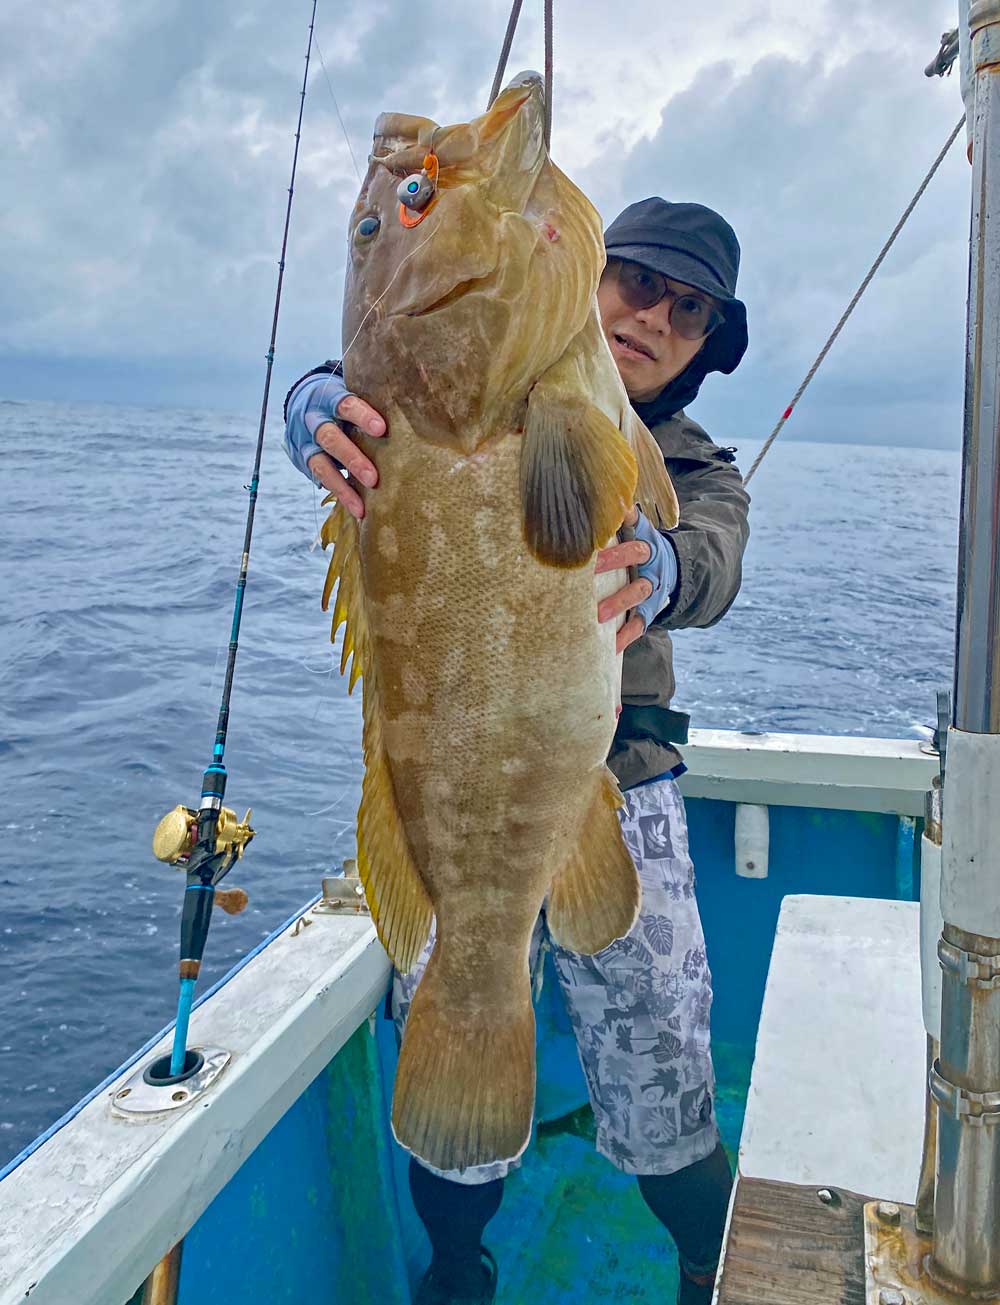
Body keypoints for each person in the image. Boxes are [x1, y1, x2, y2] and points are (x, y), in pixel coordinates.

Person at [283, 198, 751, 1305]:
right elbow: (401, 375)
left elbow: (713, 557)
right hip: (453, 784)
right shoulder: (455, 402)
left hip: (616, 790)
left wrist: (667, 566)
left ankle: (708, 1266)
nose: (655, 317)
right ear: (579, 273)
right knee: (456, 1063)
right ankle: (456, 1268)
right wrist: (315, 403)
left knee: (665, 1072)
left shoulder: (695, 467)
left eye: (690, 311)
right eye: (637, 281)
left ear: (705, 345)